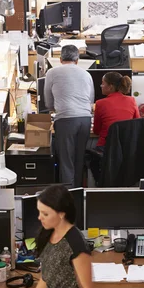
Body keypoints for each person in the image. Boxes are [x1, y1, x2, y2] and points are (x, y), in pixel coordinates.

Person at [44, 46, 94, 187]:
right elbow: (90, 101)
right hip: (85, 119)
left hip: (65, 120)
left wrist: (57, 107)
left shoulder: (52, 72)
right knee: (79, 159)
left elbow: (48, 103)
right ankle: (77, 192)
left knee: (66, 161)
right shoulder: (86, 74)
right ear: (77, 60)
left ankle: (69, 195)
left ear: (60, 59)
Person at [93, 72, 140, 148]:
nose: (101, 86)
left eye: (103, 83)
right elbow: (138, 124)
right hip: (127, 147)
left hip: (106, 147)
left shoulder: (100, 103)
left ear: (110, 87)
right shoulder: (132, 100)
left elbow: (96, 131)